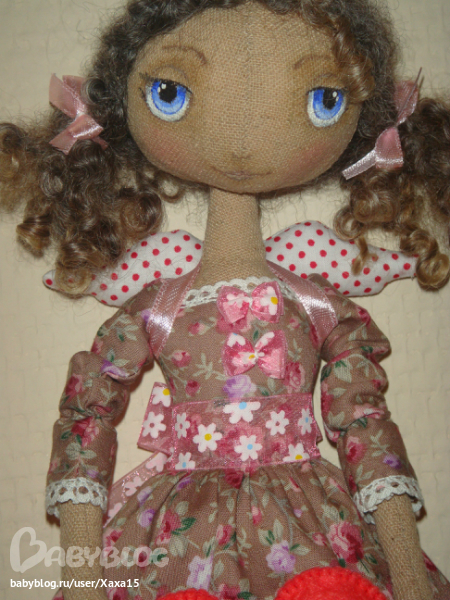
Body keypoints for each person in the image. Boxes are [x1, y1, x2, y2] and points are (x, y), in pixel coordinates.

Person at [1, 1, 450, 598]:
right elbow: (88, 411)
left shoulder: (322, 308)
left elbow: (364, 422)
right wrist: (81, 568)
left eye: (322, 99)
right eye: (171, 93)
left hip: (307, 519)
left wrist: (404, 563)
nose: (241, 142)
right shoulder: (159, 309)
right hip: (180, 527)